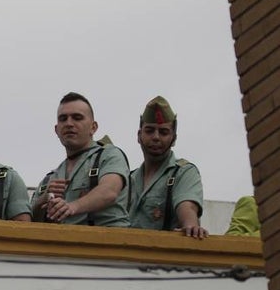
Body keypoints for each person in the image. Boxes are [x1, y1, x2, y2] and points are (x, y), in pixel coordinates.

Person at [32, 92, 129, 227]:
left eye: (77, 118)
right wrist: (43, 199)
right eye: (63, 119)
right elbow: (30, 221)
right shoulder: (50, 179)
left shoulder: (109, 155)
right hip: (65, 244)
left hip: (107, 242)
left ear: (93, 127)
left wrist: (72, 206)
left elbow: (109, 191)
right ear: (56, 129)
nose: (69, 123)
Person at [126, 96, 207, 238]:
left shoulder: (183, 172)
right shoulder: (127, 179)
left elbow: (187, 207)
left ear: (174, 139)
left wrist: (190, 225)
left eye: (163, 132)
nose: (156, 137)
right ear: (139, 136)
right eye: (150, 130)